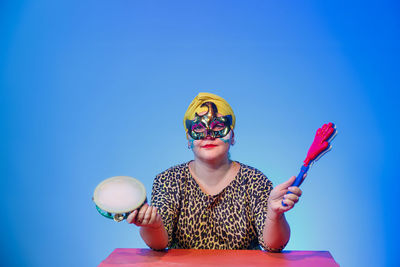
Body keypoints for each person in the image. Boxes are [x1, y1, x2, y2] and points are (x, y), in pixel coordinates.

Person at [127, 92, 303, 252]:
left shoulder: (255, 180)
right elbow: (160, 244)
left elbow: (273, 245)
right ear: (188, 138)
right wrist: (153, 225)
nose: (208, 135)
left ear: (232, 136)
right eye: (198, 129)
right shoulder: (168, 180)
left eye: (218, 127)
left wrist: (275, 214)